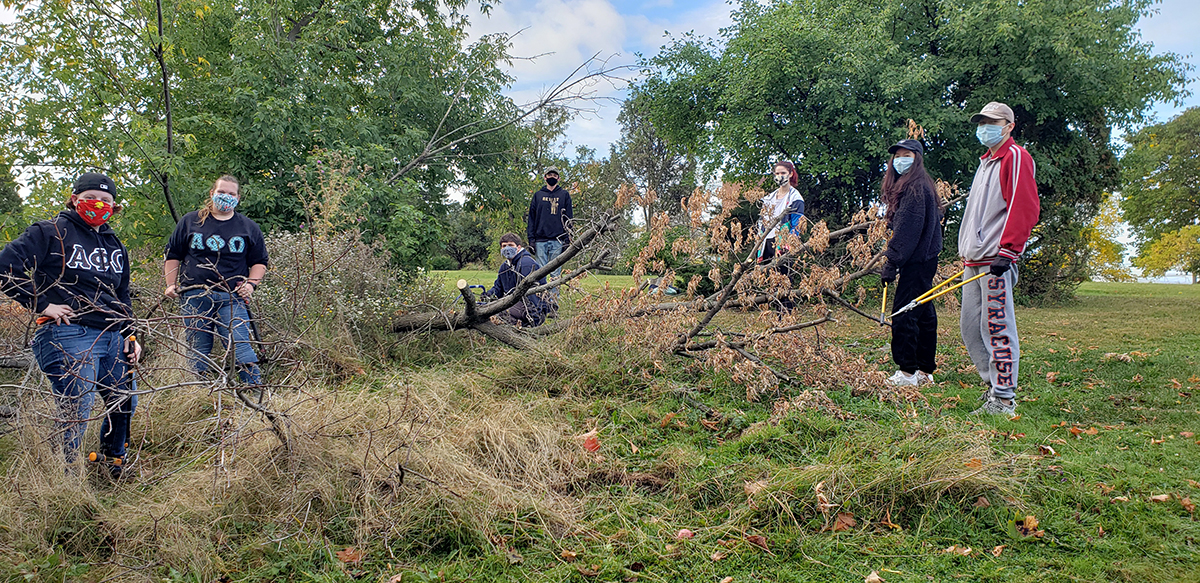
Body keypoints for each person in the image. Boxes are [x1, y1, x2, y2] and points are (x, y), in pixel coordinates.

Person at [0, 172, 141, 472]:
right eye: (91, 198)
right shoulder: (50, 231)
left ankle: (113, 462)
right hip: (68, 333)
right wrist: (42, 304)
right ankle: (67, 478)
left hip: (113, 334)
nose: (98, 204)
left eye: (106, 200)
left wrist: (131, 336)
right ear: (75, 199)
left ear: (114, 206)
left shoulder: (116, 245)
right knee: (78, 406)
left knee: (124, 400)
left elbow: (123, 295)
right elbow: (5, 267)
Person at [959, 102, 1041, 417]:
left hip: (996, 260)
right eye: (981, 122)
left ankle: (1005, 399)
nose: (985, 127)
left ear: (1008, 126)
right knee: (970, 328)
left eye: (992, 122)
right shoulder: (985, 163)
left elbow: (1025, 206)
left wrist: (1008, 250)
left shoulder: (1015, 157)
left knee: (996, 327)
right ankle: (992, 389)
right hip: (974, 260)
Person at [163, 175, 268, 385]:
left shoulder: (248, 227)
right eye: (221, 192)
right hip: (194, 294)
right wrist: (170, 284)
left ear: (238, 198)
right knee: (198, 346)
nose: (225, 197)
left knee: (239, 343)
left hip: (231, 296)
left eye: (231, 193)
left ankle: (254, 391)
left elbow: (260, 261)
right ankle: (198, 392)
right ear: (212, 194)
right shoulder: (190, 221)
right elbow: (173, 254)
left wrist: (251, 284)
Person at [879, 139, 943, 387]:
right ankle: (925, 371)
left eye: (907, 155)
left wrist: (891, 262)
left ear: (917, 158)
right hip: (926, 258)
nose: (900, 160)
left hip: (917, 260)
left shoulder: (915, 188)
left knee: (904, 313)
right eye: (897, 156)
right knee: (924, 312)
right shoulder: (921, 185)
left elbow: (907, 230)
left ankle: (907, 372)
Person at [756, 160, 806, 310]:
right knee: (772, 281)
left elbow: (797, 224)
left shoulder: (796, 198)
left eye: (783, 173)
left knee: (785, 281)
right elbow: (761, 220)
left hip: (783, 244)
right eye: (777, 173)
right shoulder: (768, 198)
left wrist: (789, 244)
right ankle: (775, 318)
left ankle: (786, 316)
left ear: (790, 174)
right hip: (767, 242)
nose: (779, 176)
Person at [482, 233, 549, 327]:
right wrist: (488, 296)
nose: (507, 248)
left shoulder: (526, 263)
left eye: (510, 245)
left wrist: (535, 318)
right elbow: (498, 288)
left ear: (518, 247)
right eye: (504, 246)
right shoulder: (505, 267)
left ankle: (523, 325)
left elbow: (532, 295)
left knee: (504, 310)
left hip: (531, 308)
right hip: (514, 303)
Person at [527, 167, 573, 279]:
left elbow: (569, 218)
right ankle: (540, 295)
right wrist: (531, 240)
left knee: (555, 275)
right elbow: (531, 219)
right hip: (540, 240)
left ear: (558, 178)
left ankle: (553, 297)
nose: (552, 177)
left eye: (554, 175)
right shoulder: (538, 195)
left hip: (558, 240)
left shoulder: (564, 195)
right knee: (539, 273)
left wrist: (568, 239)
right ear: (545, 177)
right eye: (549, 175)